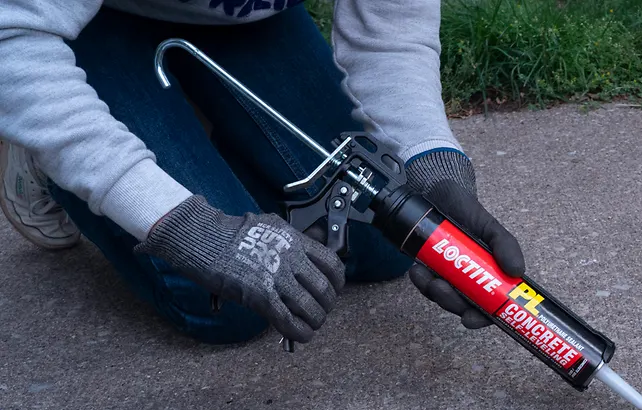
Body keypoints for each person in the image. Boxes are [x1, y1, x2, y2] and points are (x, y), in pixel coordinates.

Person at [0, 0, 525, 345]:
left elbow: (390, 32)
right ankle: (49, 149)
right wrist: (184, 225)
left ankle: (186, 125)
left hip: (239, 20)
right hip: (76, 28)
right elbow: (9, 37)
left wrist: (429, 161)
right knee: (228, 307)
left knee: (386, 235)